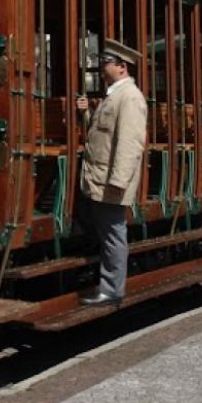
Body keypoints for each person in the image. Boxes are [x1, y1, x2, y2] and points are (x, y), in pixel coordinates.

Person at [75, 38, 147, 307]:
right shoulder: (114, 96)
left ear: (122, 66)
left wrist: (118, 181)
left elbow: (129, 143)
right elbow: (101, 134)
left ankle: (112, 290)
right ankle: (107, 285)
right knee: (106, 232)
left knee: (113, 235)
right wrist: (85, 115)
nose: (100, 66)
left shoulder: (129, 97)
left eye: (105, 62)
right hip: (98, 179)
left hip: (109, 182)